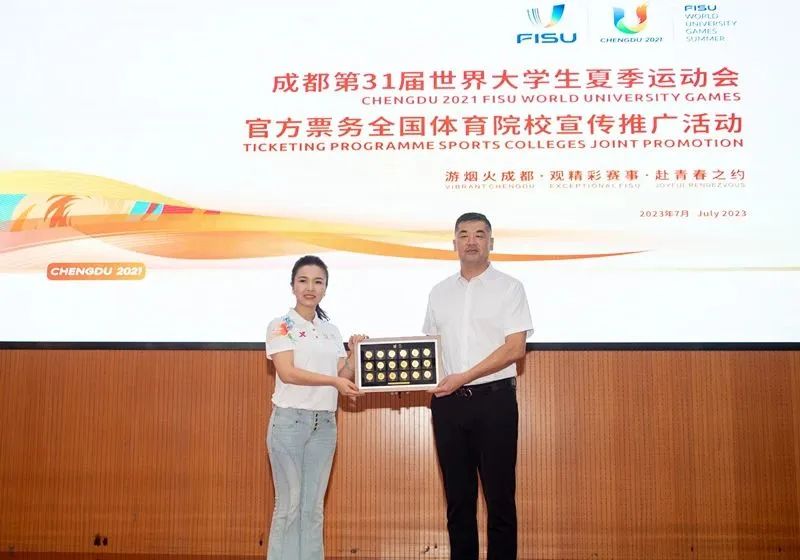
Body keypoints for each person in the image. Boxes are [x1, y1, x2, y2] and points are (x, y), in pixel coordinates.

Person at [423, 212, 533, 560]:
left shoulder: (510, 288)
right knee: (458, 501)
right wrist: (404, 380)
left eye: (479, 234)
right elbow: (430, 351)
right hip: (448, 406)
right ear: (454, 243)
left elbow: (515, 349)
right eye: (464, 234)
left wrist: (464, 376)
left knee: (499, 500)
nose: (471, 241)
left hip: (494, 403)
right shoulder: (439, 292)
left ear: (491, 243)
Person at [264, 255, 366, 560]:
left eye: (318, 282)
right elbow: (288, 372)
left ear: (325, 288)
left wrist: (353, 355)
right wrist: (334, 381)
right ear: (292, 286)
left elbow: (342, 374)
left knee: (313, 509)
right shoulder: (280, 325)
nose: (310, 288)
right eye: (303, 281)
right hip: (289, 424)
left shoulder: (331, 331)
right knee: (289, 506)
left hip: (325, 426)